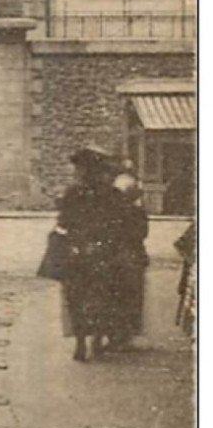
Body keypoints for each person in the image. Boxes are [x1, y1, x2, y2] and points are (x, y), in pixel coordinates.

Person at [55, 146, 130, 362]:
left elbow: (63, 222)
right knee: (104, 294)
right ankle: (96, 338)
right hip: (104, 252)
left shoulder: (72, 192)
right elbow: (121, 224)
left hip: (78, 251)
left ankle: (80, 342)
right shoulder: (112, 193)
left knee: (76, 297)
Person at [108, 161, 151, 349]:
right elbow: (141, 231)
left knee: (121, 293)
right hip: (128, 253)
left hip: (124, 252)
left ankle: (118, 333)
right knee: (127, 293)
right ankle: (122, 333)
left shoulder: (125, 203)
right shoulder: (133, 205)